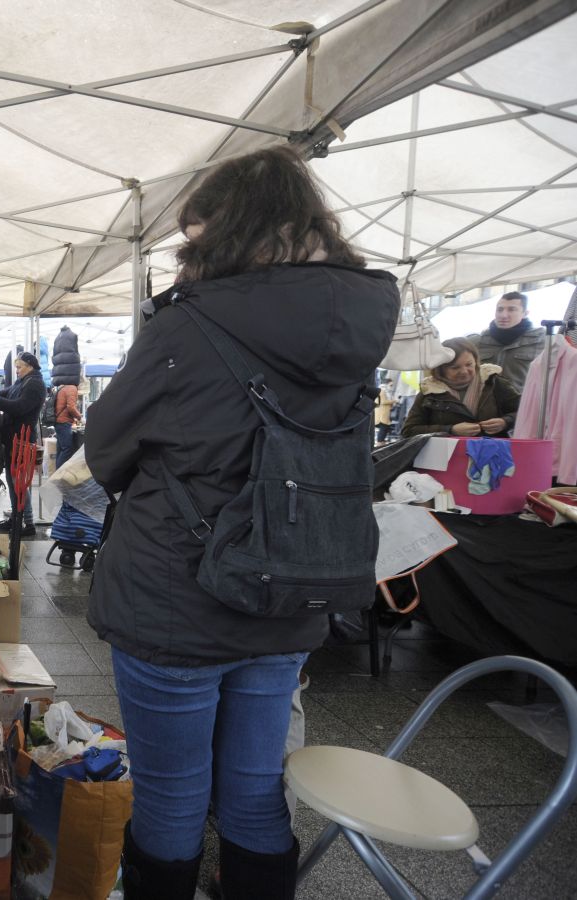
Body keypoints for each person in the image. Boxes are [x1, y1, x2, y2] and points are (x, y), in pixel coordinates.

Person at [85, 146, 397, 899]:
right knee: (255, 794)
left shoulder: (187, 325)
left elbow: (105, 450)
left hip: (176, 595)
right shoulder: (362, 321)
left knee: (171, 799)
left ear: (229, 230)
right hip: (294, 585)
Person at [401, 337, 520, 437]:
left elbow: (524, 411)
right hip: (445, 459)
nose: (464, 371)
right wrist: (450, 430)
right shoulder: (430, 390)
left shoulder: (493, 381)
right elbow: (409, 430)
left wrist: (505, 422)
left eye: (469, 364)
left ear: (476, 361)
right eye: (455, 367)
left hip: (493, 457)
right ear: (441, 368)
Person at [0, 352, 46, 537]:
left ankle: (27, 523)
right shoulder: (23, 381)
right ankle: (16, 518)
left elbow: (20, 406)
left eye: (20, 366)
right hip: (12, 438)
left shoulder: (35, 384)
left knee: (19, 483)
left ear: (30, 366)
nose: (17, 370)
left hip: (22, 440)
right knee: (14, 483)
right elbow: (8, 392)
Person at [467, 291, 546, 393]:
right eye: (500, 310)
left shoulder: (542, 342)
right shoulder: (479, 341)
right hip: (485, 405)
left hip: (522, 405)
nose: (503, 315)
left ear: (525, 313)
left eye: (511, 309)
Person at [54, 379, 82, 467]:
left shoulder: (63, 387)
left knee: (61, 449)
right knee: (67, 449)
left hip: (58, 421)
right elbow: (71, 407)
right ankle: (59, 475)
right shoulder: (72, 388)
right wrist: (80, 417)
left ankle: (56, 474)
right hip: (64, 422)